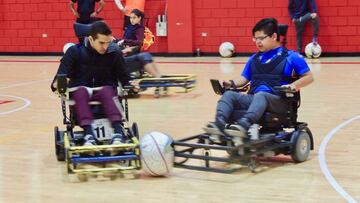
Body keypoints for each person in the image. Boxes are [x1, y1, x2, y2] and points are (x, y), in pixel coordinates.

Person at [207, 18, 314, 137]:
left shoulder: (292, 57)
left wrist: (294, 85)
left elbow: (309, 77)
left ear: (273, 36)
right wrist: (231, 83)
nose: (257, 42)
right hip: (254, 99)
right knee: (229, 95)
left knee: (261, 95)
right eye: (255, 38)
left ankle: (243, 125)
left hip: (279, 101)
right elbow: (244, 78)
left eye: (261, 38)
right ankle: (219, 124)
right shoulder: (254, 58)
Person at [51, 21, 137, 146]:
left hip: (106, 92)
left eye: (108, 42)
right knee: (81, 91)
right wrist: (58, 84)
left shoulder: (114, 53)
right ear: (91, 39)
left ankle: (118, 133)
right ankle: (89, 135)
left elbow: (125, 78)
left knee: (107, 90)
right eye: (101, 43)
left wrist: (132, 85)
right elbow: (60, 77)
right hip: (81, 92)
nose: (105, 47)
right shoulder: (74, 52)